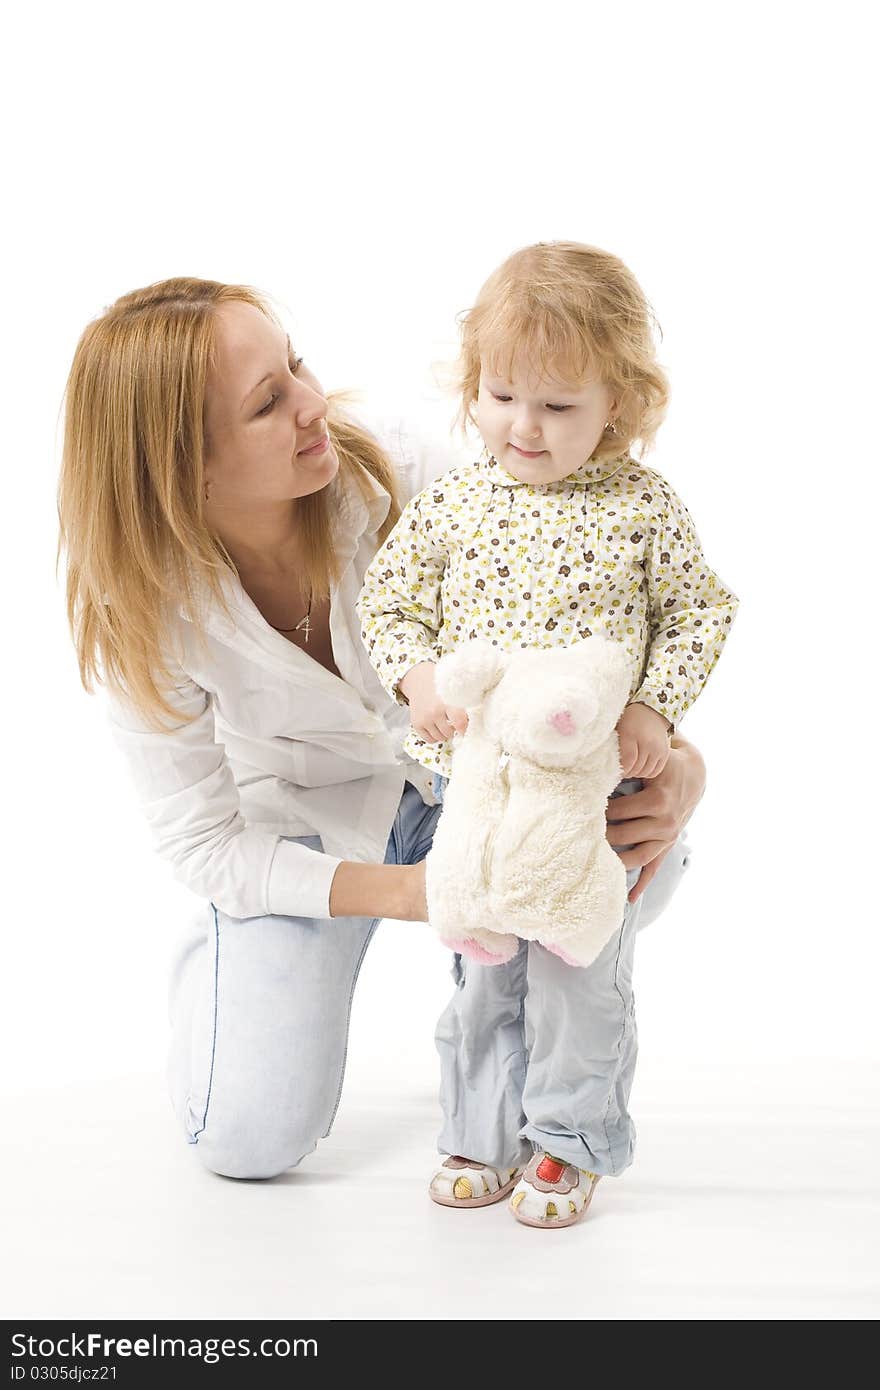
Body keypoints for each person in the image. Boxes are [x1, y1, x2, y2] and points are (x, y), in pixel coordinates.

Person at [57, 275, 708, 1184]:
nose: (314, 403)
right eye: (267, 403)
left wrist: (680, 763)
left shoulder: (425, 473)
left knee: (641, 857)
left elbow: (600, 631)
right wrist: (417, 893)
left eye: (297, 366)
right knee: (246, 1139)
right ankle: (241, 963)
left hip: (480, 780)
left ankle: (528, 1076)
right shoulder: (142, 610)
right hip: (309, 832)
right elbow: (203, 840)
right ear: (186, 466)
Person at [356, 242, 738, 1227]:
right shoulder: (457, 499)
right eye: (499, 396)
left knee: (576, 970)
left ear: (620, 402)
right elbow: (389, 598)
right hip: (474, 792)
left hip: (590, 798)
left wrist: (653, 707)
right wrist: (418, 678)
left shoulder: (641, 507)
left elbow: (698, 611)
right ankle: (481, 1128)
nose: (522, 427)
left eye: (559, 407)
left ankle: (568, 1138)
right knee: (483, 965)